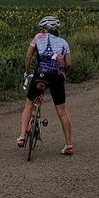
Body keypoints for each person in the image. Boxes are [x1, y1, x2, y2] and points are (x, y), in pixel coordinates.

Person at [17, 15, 74, 155]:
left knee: (29, 103)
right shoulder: (64, 42)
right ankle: (68, 145)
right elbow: (68, 63)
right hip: (57, 77)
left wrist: (28, 72)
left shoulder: (38, 38)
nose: (41, 31)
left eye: (42, 28)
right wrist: (63, 73)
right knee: (62, 111)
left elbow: (28, 57)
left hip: (40, 75)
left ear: (46, 29)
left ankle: (22, 136)